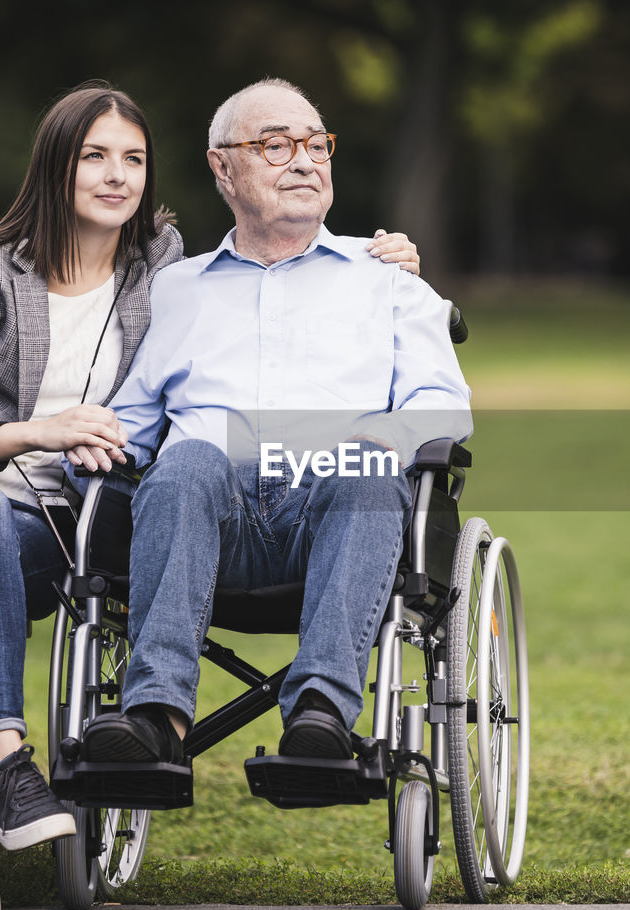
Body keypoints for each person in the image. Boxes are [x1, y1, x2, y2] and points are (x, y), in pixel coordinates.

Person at [0, 79, 421, 910]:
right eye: (94, 157)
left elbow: (264, 287)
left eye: (134, 159)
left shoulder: (163, 271)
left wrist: (388, 262)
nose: (117, 176)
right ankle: (8, 761)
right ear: (54, 168)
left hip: (38, 530)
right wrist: (40, 433)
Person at [71, 77, 472, 772]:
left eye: (318, 144)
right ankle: (154, 718)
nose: (305, 160)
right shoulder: (178, 288)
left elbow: (444, 402)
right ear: (222, 167)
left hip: (338, 506)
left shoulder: (388, 281)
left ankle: (320, 713)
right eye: (277, 144)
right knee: (186, 460)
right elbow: (132, 419)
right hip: (208, 514)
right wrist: (70, 451)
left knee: (367, 467)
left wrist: (384, 439)